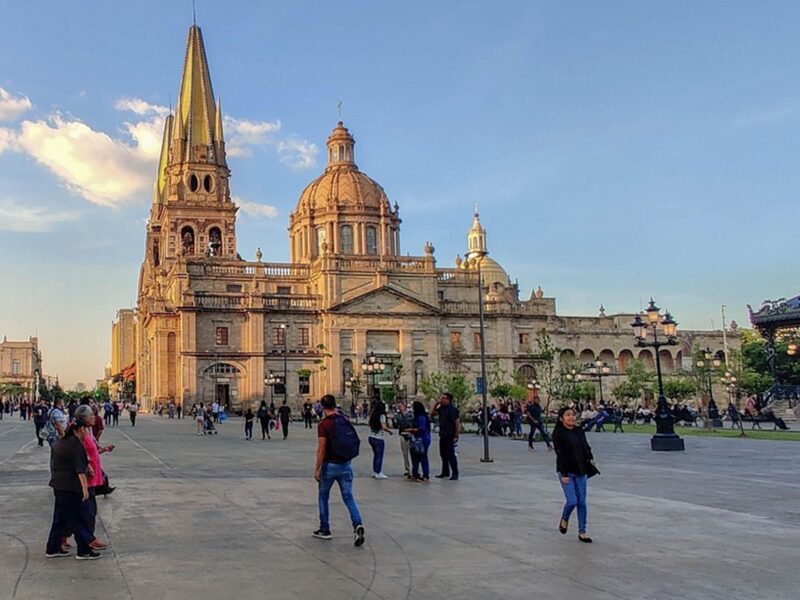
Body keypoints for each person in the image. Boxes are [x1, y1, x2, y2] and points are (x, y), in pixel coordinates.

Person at [44, 415, 100, 560]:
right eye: (86, 430)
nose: (87, 433)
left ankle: (52, 547)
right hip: (71, 487)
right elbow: (79, 470)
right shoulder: (76, 445)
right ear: (80, 429)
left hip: (58, 485)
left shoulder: (60, 442)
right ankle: (84, 550)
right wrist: (85, 489)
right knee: (79, 518)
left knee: (60, 518)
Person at [313, 394, 365, 546]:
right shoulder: (344, 420)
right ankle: (357, 524)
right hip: (346, 464)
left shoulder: (324, 424)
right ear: (335, 405)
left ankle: (324, 529)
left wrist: (317, 468)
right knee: (349, 497)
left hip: (330, 466)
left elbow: (322, 448)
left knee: (323, 496)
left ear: (322, 407)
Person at [553, 406, 595, 544]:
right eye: (567, 415)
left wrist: (590, 457)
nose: (571, 417)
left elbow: (585, 446)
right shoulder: (559, 433)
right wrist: (563, 473)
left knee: (582, 501)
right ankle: (564, 518)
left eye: (573, 415)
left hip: (580, 469)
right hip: (567, 471)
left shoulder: (579, 431)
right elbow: (560, 454)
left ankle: (582, 531)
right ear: (561, 418)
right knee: (572, 500)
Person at [75, 406, 114, 552]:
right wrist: (86, 467)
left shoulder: (88, 432)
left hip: (93, 478)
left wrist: (103, 449)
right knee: (87, 512)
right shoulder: (80, 434)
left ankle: (85, 539)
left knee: (89, 512)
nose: (94, 417)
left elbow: (92, 450)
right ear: (84, 418)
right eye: (91, 415)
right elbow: (76, 453)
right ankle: (86, 543)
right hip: (87, 478)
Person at [431, 393, 460, 480]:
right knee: (443, 454)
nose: (442, 399)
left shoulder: (452, 410)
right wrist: (436, 404)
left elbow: (457, 423)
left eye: (444, 398)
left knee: (451, 455)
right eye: (441, 398)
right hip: (443, 434)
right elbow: (432, 413)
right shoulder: (442, 408)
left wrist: (456, 435)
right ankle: (445, 471)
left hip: (450, 435)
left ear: (448, 400)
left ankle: (455, 473)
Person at [406, 401, 431, 481]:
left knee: (422, 456)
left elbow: (422, 428)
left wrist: (411, 430)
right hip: (416, 438)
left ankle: (425, 474)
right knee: (415, 456)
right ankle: (415, 473)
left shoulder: (421, 417)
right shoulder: (417, 416)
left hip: (422, 438)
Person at [367, 400, 393, 479]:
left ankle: (375, 471)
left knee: (376, 455)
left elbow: (369, 424)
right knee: (379, 456)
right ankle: (378, 472)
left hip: (371, 437)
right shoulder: (382, 416)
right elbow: (383, 426)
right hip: (378, 438)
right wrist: (389, 431)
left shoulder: (373, 415)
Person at [393, 401, 414, 479]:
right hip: (402, 434)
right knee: (405, 454)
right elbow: (395, 426)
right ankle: (407, 469)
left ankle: (413, 469)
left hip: (409, 435)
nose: (399, 408)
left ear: (404, 407)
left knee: (412, 453)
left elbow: (411, 424)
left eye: (400, 406)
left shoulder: (410, 415)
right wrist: (394, 419)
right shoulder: (398, 416)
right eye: (398, 407)